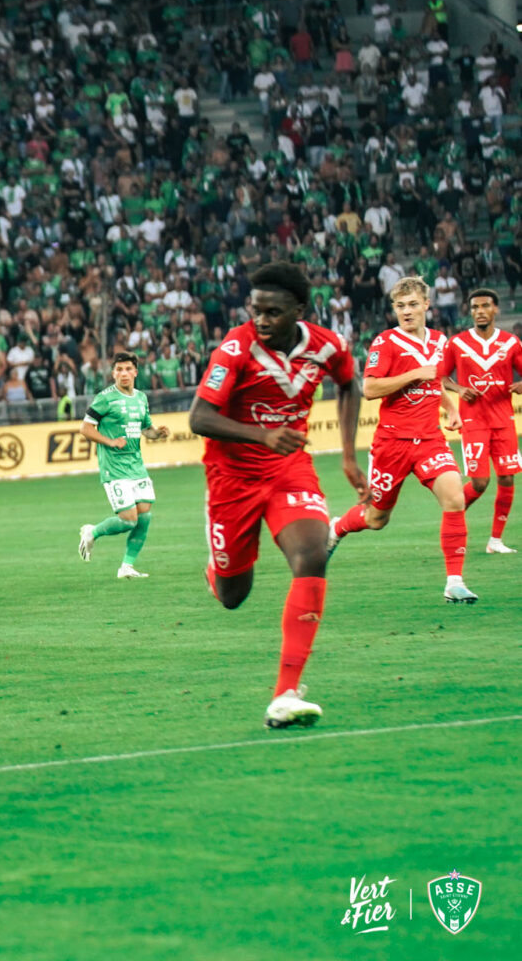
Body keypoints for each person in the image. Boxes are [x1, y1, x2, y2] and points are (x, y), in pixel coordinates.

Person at [189, 262, 365, 729]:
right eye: (256, 311)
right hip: (231, 479)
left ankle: (285, 694)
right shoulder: (235, 348)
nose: (262, 320)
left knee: (312, 555)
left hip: (290, 469)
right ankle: (218, 571)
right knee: (233, 595)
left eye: (273, 312)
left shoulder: (328, 346)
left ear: (299, 310)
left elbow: (350, 383)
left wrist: (349, 456)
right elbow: (199, 418)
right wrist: (263, 435)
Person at [329, 277, 476, 602]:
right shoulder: (385, 342)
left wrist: (451, 408)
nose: (406, 311)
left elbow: (435, 381)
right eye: (400, 306)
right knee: (376, 518)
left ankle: (454, 582)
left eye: (412, 304)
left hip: (430, 440)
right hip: (392, 443)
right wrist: (413, 374)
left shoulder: (439, 341)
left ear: (426, 305)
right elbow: (369, 388)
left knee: (455, 498)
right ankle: (336, 528)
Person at [438, 288, 522, 553]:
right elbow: (440, 377)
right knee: (480, 483)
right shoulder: (457, 343)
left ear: (495, 309)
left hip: (504, 420)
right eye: (475, 307)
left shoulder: (510, 343)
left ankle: (495, 541)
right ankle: (452, 520)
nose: (480, 311)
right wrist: (459, 389)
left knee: (507, 478)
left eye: (485, 306)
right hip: (473, 421)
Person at [76, 352, 169, 579]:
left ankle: (126, 566)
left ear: (135, 372)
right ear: (113, 373)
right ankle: (92, 532)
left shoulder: (141, 398)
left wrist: (157, 434)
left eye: (128, 369)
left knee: (144, 516)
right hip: (114, 468)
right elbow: (85, 428)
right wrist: (110, 442)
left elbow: (145, 429)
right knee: (129, 520)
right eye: (119, 370)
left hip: (136, 466)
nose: (123, 373)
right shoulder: (105, 398)